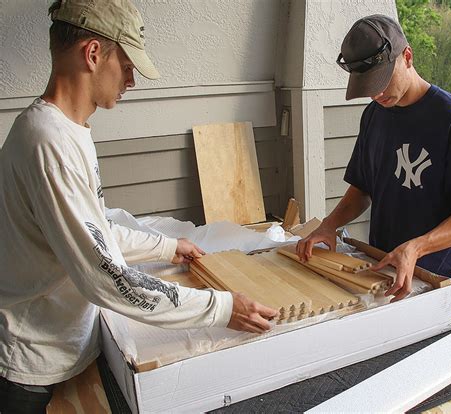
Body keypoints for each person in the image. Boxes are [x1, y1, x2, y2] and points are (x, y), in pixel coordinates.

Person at [0, 0, 277, 411]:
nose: (132, 79)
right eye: (128, 65)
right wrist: (221, 307)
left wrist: (167, 247)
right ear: (93, 54)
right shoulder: (48, 142)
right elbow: (108, 278)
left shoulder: (66, 130)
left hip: (64, 348)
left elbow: (92, 230)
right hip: (31, 369)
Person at [297, 14, 451, 311]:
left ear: (407, 56)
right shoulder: (375, 114)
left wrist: (416, 247)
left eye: (382, 81)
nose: (376, 93)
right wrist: (329, 225)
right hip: (384, 270)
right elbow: (363, 187)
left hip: (440, 280)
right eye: (368, 85)